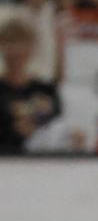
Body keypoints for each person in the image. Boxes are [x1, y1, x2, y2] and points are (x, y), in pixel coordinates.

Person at [0, 19, 60, 154]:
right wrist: (12, 130)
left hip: (42, 160)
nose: (16, 50)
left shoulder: (45, 89)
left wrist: (36, 126)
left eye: (22, 43)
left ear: (32, 48)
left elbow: (58, 123)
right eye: (10, 42)